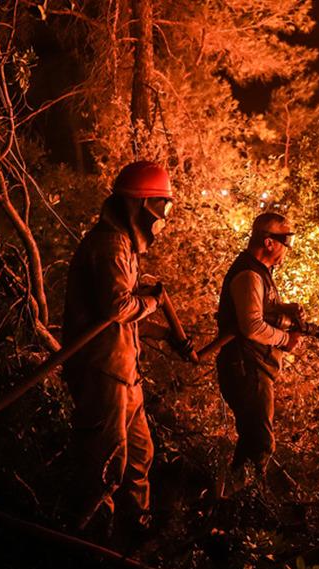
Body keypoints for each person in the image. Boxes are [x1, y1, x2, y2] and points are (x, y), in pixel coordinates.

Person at [61, 160, 191, 539]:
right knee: (105, 463)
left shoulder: (126, 247)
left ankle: (134, 537)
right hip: (103, 371)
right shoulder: (110, 244)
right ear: (140, 205)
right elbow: (117, 308)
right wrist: (150, 301)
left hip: (124, 369)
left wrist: (163, 334)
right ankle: (88, 544)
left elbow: (122, 319)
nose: (164, 216)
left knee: (140, 455)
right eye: (162, 206)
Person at [215, 212, 309, 495]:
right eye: (284, 242)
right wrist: (284, 340)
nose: (286, 249)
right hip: (246, 367)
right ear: (269, 242)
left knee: (252, 441)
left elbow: (260, 311)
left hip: (254, 367)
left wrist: (284, 308)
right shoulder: (248, 274)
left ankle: (232, 503)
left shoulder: (260, 272)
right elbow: (251, 325)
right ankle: (244, 503)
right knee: (260, 443)